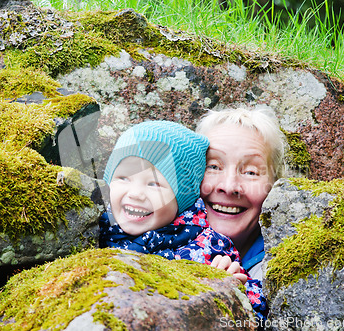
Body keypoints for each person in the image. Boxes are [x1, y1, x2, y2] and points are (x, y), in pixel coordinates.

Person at [99, 120, 268, 320]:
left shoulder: (206, 248)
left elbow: (255, 313)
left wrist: (231, 293)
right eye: (123, 178)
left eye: (154, 184)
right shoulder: (96, 226)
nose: (136, 193)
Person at [195, 106, 286, 281]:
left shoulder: (286, 271)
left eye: (250, 172)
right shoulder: (152, 241)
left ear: (275, 186)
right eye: (213, 166)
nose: (229, 187)